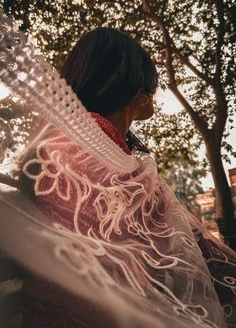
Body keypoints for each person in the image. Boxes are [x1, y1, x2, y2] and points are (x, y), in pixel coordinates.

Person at [8, 28, 236, 327]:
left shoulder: (100, 140)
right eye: (146, 74)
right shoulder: (82, 142)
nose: (152, 86)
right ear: (126, 79)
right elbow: (124, 245)